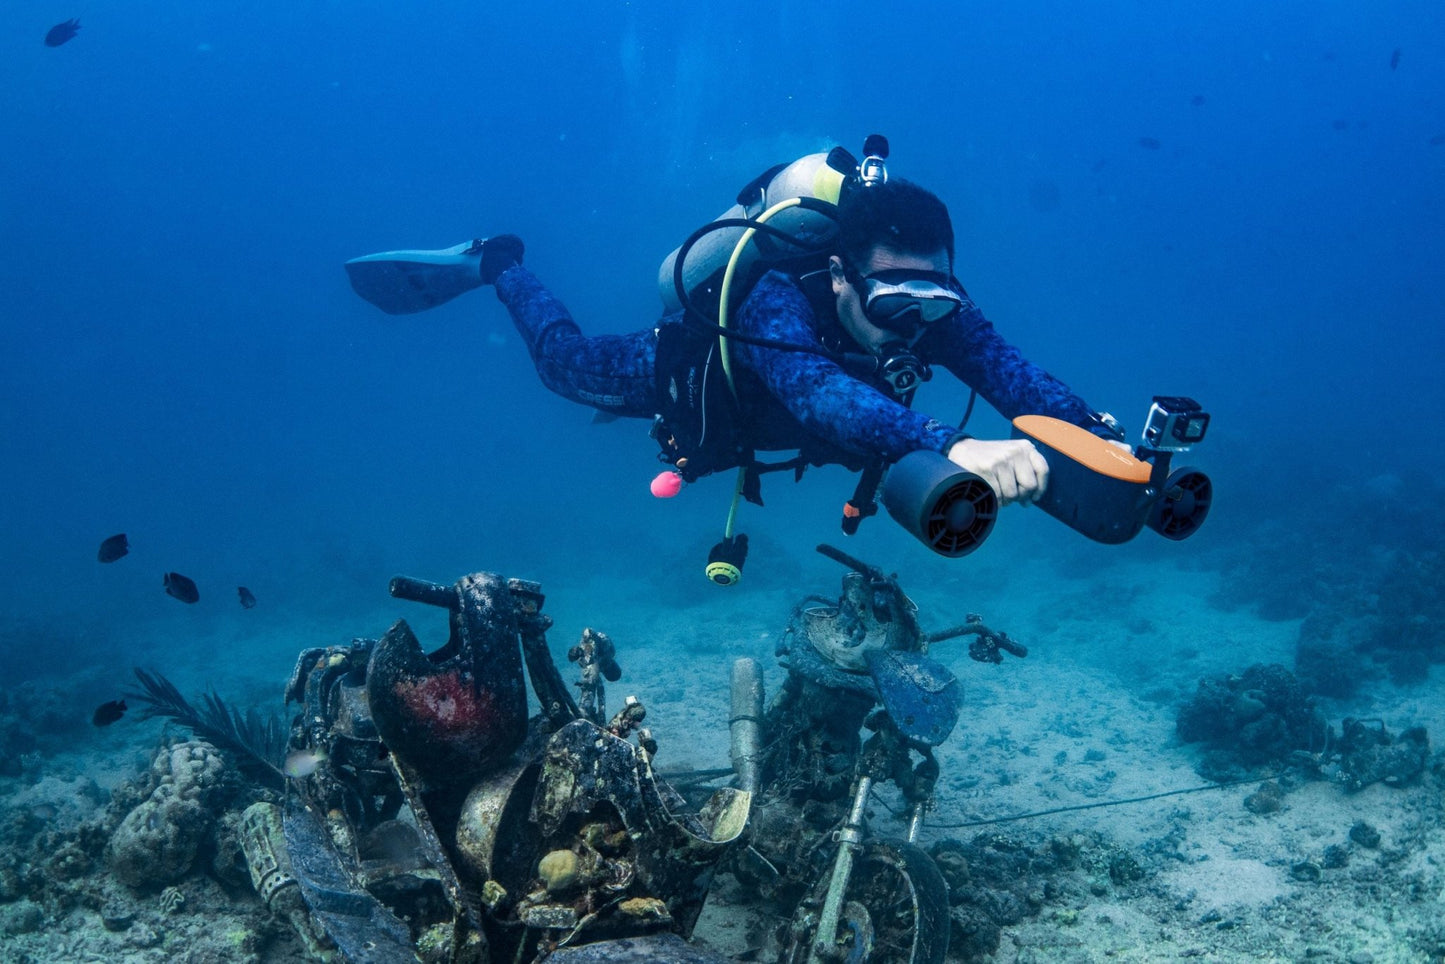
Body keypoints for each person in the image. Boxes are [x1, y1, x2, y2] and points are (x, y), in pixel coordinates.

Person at [471, 173, 1119, 511]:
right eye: (892, 302)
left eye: (935, 303)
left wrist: (1094, 432)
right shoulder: (773, 297)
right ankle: (498, 263)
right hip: (683, 371)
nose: (913, 325)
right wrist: (955, 444)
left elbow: (1013, 375)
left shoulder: (933, 305)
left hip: (779, 418)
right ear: (840, 275)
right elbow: (818, 395)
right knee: (561, 367)